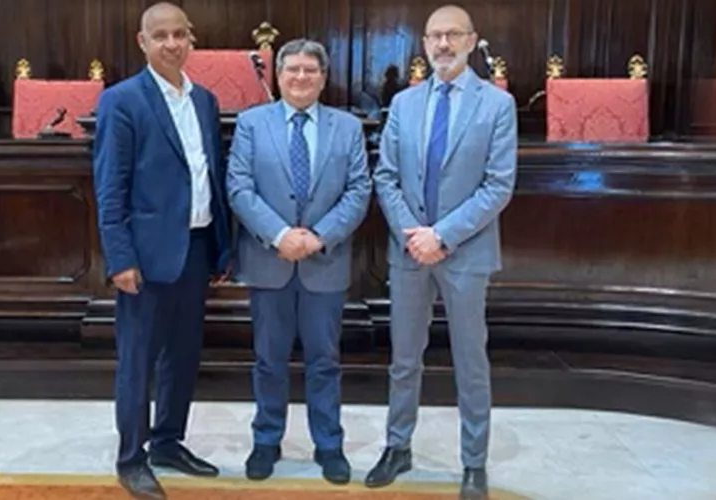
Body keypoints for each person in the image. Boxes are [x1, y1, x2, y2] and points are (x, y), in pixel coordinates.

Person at [364, 5, 516, 500]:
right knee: (404, 359)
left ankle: (474, 463)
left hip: (466, 254)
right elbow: (385, 175)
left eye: (452, 35)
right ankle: (397, 446)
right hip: (409, 250)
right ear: (424, 43)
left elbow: (498, 186)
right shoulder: (404, 104)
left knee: (470, 361)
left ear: (472, 40)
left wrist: (442, 235)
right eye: (434, 36)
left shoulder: (496, 105)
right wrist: (414, 233)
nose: (442, 44)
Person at [89, 3, 229, 500]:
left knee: (183, 355)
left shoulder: (205, 100)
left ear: (191, 39)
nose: (172, 44)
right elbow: (110, 188)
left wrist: (219, 248)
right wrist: (119, 257)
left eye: (180, 35)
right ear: (142, 41)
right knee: (139, 359)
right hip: (145, 256)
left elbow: (208, 174)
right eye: (161, 36)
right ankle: (132, 457)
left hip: (195, 246)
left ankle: (168, 441)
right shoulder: (122, 101)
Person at [224, 38, 370, 485]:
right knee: (269, 359)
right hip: (270, 260)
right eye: (293, 70)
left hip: (325, 262)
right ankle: (266, 440)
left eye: (311, 70)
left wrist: (318, 237)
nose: (301, 77)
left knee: (324, 360)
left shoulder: (347, 127)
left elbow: (359, 190)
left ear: (323, 78)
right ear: (278, 75)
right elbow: (239, 187)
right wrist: (280, 235)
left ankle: (329, 444)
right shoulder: (251, 123)